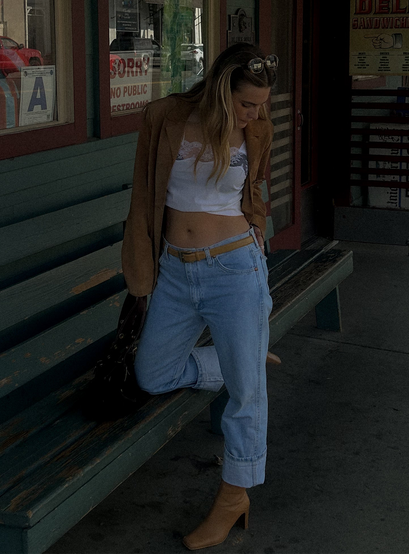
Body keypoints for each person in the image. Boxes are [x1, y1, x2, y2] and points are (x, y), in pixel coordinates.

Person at [121, 42, 278, 550]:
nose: (254, 115)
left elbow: (255, 188)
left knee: (246, 397)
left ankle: (234, 498)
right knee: (152, 372)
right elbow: (144, 192)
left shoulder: (257, 128)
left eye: (261, 106)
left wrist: (257, 226)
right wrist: (141, 261)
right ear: (219, 87)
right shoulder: (166, 117)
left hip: (235, 270)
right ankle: (242, 359)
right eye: (246, 104)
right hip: (174, 271)